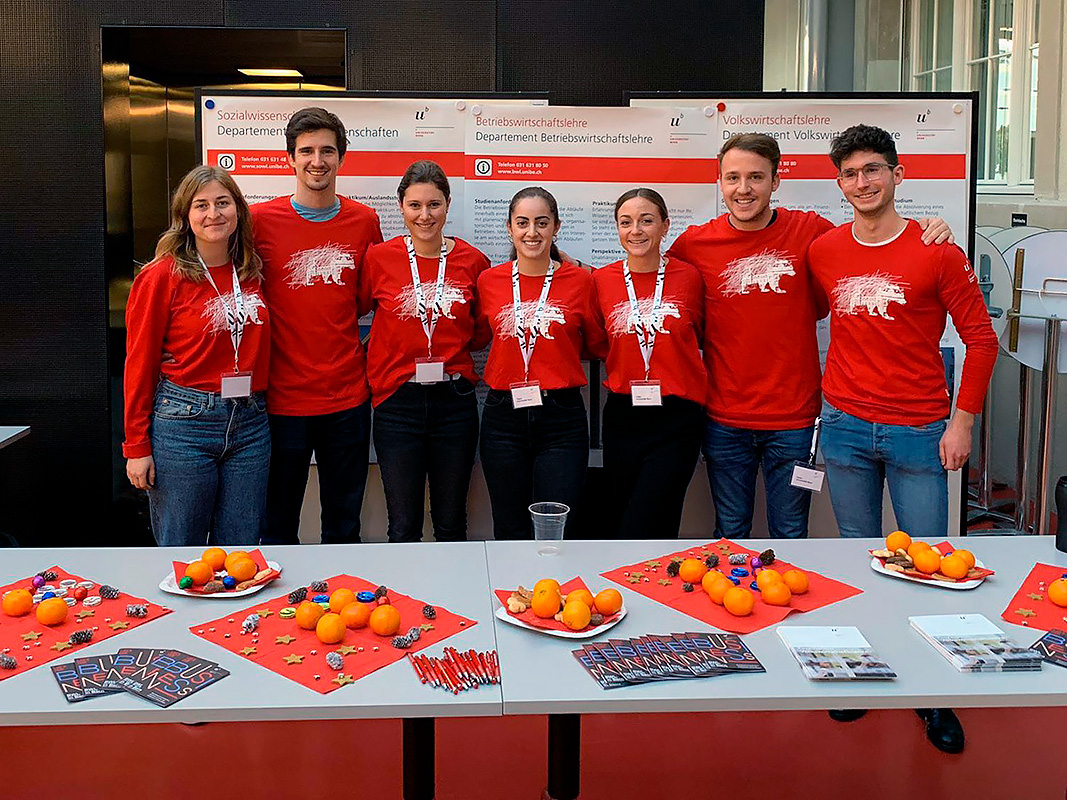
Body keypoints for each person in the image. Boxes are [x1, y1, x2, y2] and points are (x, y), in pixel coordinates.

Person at [809, 123, 998, 754]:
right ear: (839, 184)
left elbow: (981, 340)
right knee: (860, 558)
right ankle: (862, 670)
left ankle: (934, 693)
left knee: (930, 566)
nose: (862, 182)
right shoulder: (825, 250)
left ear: (897, 174)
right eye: (850, 174)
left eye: (873, 170)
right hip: (843, 426)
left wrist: (962, 421)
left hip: (920, 429)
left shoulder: (937, 250)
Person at [668, 133, 953, 540]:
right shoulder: (694, 244)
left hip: (797, 420)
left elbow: (870, 241)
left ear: (775, 181)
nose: (743, 189)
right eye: (733, 178)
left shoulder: (811, 232)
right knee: (729, 532)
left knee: (791, 533)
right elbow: (653, 282)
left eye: (756, 177)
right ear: (720, 182)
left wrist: (926, 227)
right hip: (724, 420)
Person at [251, 107, 383, 545]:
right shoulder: (259, 222)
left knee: (344, 527)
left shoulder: (364, 222)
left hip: (347, 398)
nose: (317, 160)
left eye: (327, 150)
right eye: (306, 151)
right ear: (290, 158)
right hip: (281, 401)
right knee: (277, 526)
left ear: (342, 158)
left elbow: (366, 299)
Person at [124, 165, 270, 546]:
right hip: (184, 424)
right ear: (185, 216)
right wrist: (136, 446)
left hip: (250, 422)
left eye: (223, 203)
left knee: (241, 554)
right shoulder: (161, 276)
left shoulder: (251, 270)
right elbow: (139, 363)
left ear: (238, 209)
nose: (213, 213)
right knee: (183, 550)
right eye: (201, 205)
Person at [361, 161, 490, 542]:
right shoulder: (379, 258)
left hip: (454, 403)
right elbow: (360, 308)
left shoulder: (473, 261)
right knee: (403, 525)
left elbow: (479, 333)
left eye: (434, 204)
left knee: (452, 521)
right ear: (401, 206)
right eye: (415, 205)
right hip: (397, 404)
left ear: (447, 205)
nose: (425, 215)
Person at [475, 187, 607, 539]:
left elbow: (596, 343)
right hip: (503, 417)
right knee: (509, 527)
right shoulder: (489, 281)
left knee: (556, 527)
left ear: (556, 227)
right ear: (509, 228)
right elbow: (476, 336)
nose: (531, 232)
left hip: (561, 419)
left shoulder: (581, 282)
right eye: (522, 223)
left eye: (541, 222)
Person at [590, 188, 706, 538]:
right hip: (623, 416)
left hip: (677, 417)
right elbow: (598, 343)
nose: (636, 230)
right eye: (626, 222)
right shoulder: (601, 281)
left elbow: (700, 334)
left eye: (646, 220)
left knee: (655, 517)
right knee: (620, 514)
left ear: (665, 225)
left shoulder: (690, 277)